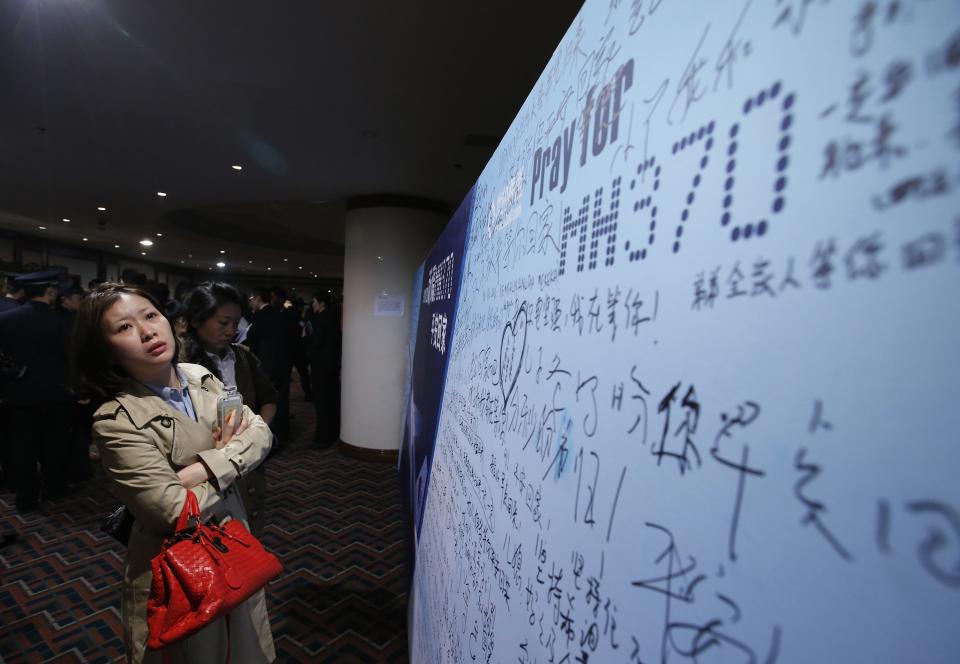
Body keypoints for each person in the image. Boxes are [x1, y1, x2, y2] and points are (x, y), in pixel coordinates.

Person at [73, 283, 275, 663]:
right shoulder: (116, 419)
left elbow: (262, 433)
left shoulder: (197, 374)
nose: (148, 331)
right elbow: (172, 511)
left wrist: (200, 468)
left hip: (234, 538)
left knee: (245, 644)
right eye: (124, 328)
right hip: (178, 565)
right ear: (105, 349)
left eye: (150, 316)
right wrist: (230, 454)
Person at [180, 282, 278, 536]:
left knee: (248, 536)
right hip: (202, 466)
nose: (231, 331)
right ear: (196, 320)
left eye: (236, 324)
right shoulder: (179, 364)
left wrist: (259, 432)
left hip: (245, 459)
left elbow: (269, 397)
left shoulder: (243, 356)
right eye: (223, 323)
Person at [0, 270, 73, 511]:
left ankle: (26, 498)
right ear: (49, 291)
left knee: (23, 450)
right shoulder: (60, 321)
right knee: (54, 445)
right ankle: (54, 489)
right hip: (55, 393)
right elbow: (70, 359)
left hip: (19, 394)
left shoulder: (7, 319)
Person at [245, 287, 298, 446]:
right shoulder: (279, 313)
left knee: (268, 400)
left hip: (267, 365)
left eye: (251, 299)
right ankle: (283, 433)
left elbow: (251, 339)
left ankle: (271, 437)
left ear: (258, 298)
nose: (250, 303)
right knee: (283, 399)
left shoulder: (260, 316)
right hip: (284, 363)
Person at [304, 292, 341, 447]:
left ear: (321, 303)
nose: (312, 305)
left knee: (321, 402)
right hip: (333, 364)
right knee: (332, 399)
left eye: (314, 301)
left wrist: (306, 338)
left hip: (320, 365)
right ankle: (333, 433)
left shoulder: (316, 320)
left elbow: (315, 341)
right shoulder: (334, 318)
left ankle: (322, 438)